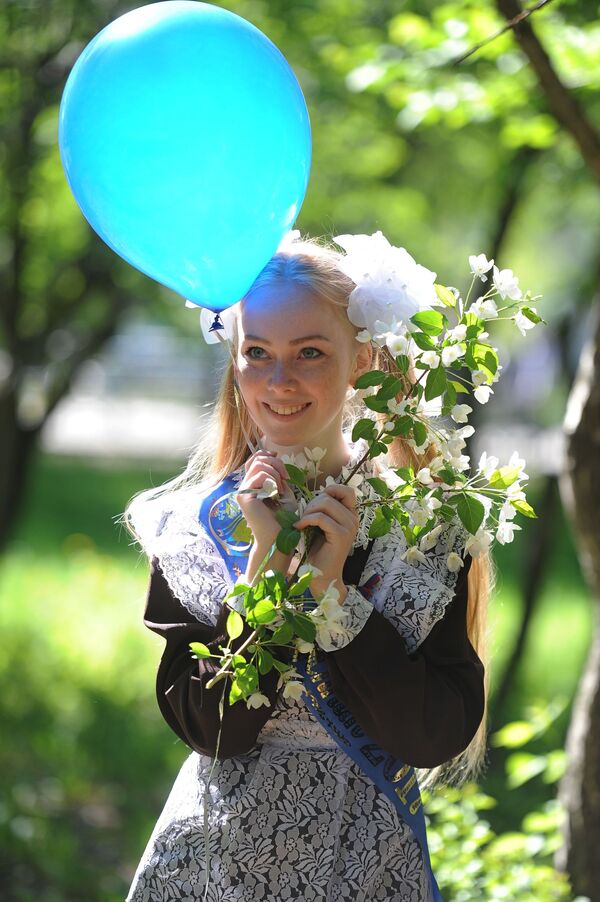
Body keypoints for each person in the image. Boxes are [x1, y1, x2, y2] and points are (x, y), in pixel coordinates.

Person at [123, 233, 490, 901]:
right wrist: (263, 570)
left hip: (368, 868)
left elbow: (433, 735)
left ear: (363, 361)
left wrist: (334, 596)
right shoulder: (195, 531)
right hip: (214, 868)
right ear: (234, 362)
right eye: (257, 353)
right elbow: (213, 731)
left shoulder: (424, 530)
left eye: (310, 353)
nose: (279, 381)